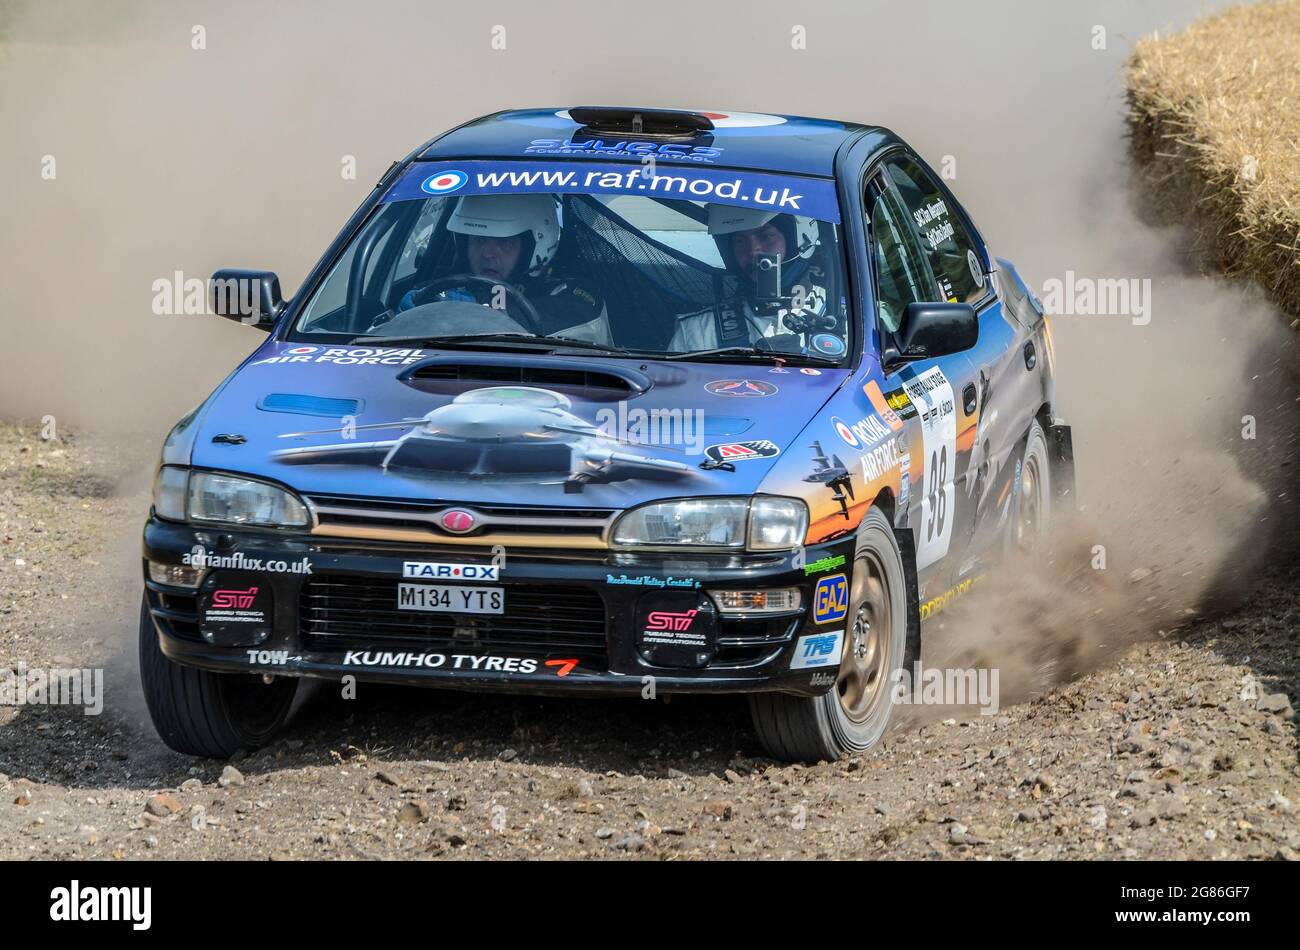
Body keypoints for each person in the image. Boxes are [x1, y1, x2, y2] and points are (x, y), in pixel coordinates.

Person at [399, 193, 612, 344]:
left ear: (538, 243)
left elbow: (541, 322)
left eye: (504, 243)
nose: (488, 254)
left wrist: (460, 310)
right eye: (480, 240)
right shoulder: (444, 290)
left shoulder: (575, 296)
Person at [668, 206, 834, 353]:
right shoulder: (698, 331)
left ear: (797, 241)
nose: (753, 250)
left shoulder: (847, 318)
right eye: (740, 241)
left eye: (766, 236)